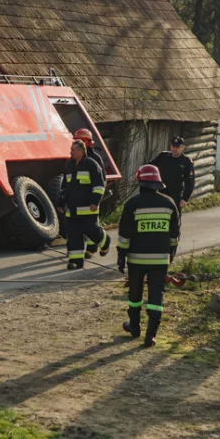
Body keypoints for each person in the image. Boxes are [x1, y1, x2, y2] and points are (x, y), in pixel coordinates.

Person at [117, 165, 180, 347]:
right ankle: (150, 336)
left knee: (135, 295)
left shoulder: (132, 204)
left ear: (140, 182)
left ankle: (134, 328)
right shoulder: (169, 204)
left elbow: (124, 235)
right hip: (160, 260)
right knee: (156, 297)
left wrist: (121, 257)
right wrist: (171, 254)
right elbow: (174, 235)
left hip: (136, 260)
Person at [58, 139, 109, 269]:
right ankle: (76, 262)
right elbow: (65, 187)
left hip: (88, 209)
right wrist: (60, 203)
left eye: (73, 150)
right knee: (73, 236)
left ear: (81, 151)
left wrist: (95, 202)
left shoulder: (92, 165)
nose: (71, 152)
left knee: (92, 232)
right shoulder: (69, 165)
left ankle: (105, 242)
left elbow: (99, 186)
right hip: (72, 210)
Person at [71, 128, 106, 257]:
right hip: (78, 199)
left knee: (92, 224)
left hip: (91, 197)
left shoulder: (95, 158)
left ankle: (92, 248)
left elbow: (101, 180)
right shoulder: (74, 159)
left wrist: (96, 199)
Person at [149, 137, 194, 210]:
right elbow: (149, 166)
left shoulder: (186, 162)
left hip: (175, 196)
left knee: (174, 218)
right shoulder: (163, 156)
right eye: (173, 146)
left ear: (182, 148)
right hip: (160, 193)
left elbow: (190, 182)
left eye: (177, 147)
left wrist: (185, 199)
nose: (174, 149)